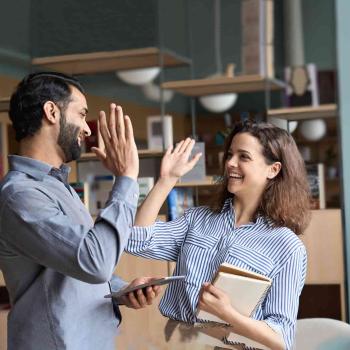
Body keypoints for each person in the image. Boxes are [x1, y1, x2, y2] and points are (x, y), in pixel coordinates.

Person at [0, 72, 161, 350]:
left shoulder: (58, 186)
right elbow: (95, 262)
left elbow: (76, 267)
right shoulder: (20, 195)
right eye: (81, 113)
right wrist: (126, 178)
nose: (87, 129)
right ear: (51, 111)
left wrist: (121, 291)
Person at [124, 122, 311, 350]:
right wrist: (167, 180)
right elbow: (135, 240)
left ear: (273, 169)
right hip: (176, 342)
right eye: (230, 154)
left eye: (244, 157)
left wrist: (228, 314)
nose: (230, 163)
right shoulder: (197, 219)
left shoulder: (287, 247)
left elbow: (282, 339)